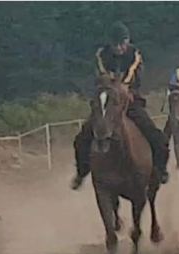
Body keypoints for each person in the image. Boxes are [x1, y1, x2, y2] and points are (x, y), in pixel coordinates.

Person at [71, 21, 171, 190]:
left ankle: (160, 170)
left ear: (127, 41)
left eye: (122, 43)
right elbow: (99, 77)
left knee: (157, 137)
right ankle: (81, 173)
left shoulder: (135, 56)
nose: (119, 47)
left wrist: (128, 91)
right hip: (107, 102)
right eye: (115, 44)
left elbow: (137, 78)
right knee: (82, 138)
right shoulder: (102, 55)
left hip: (130, 102)